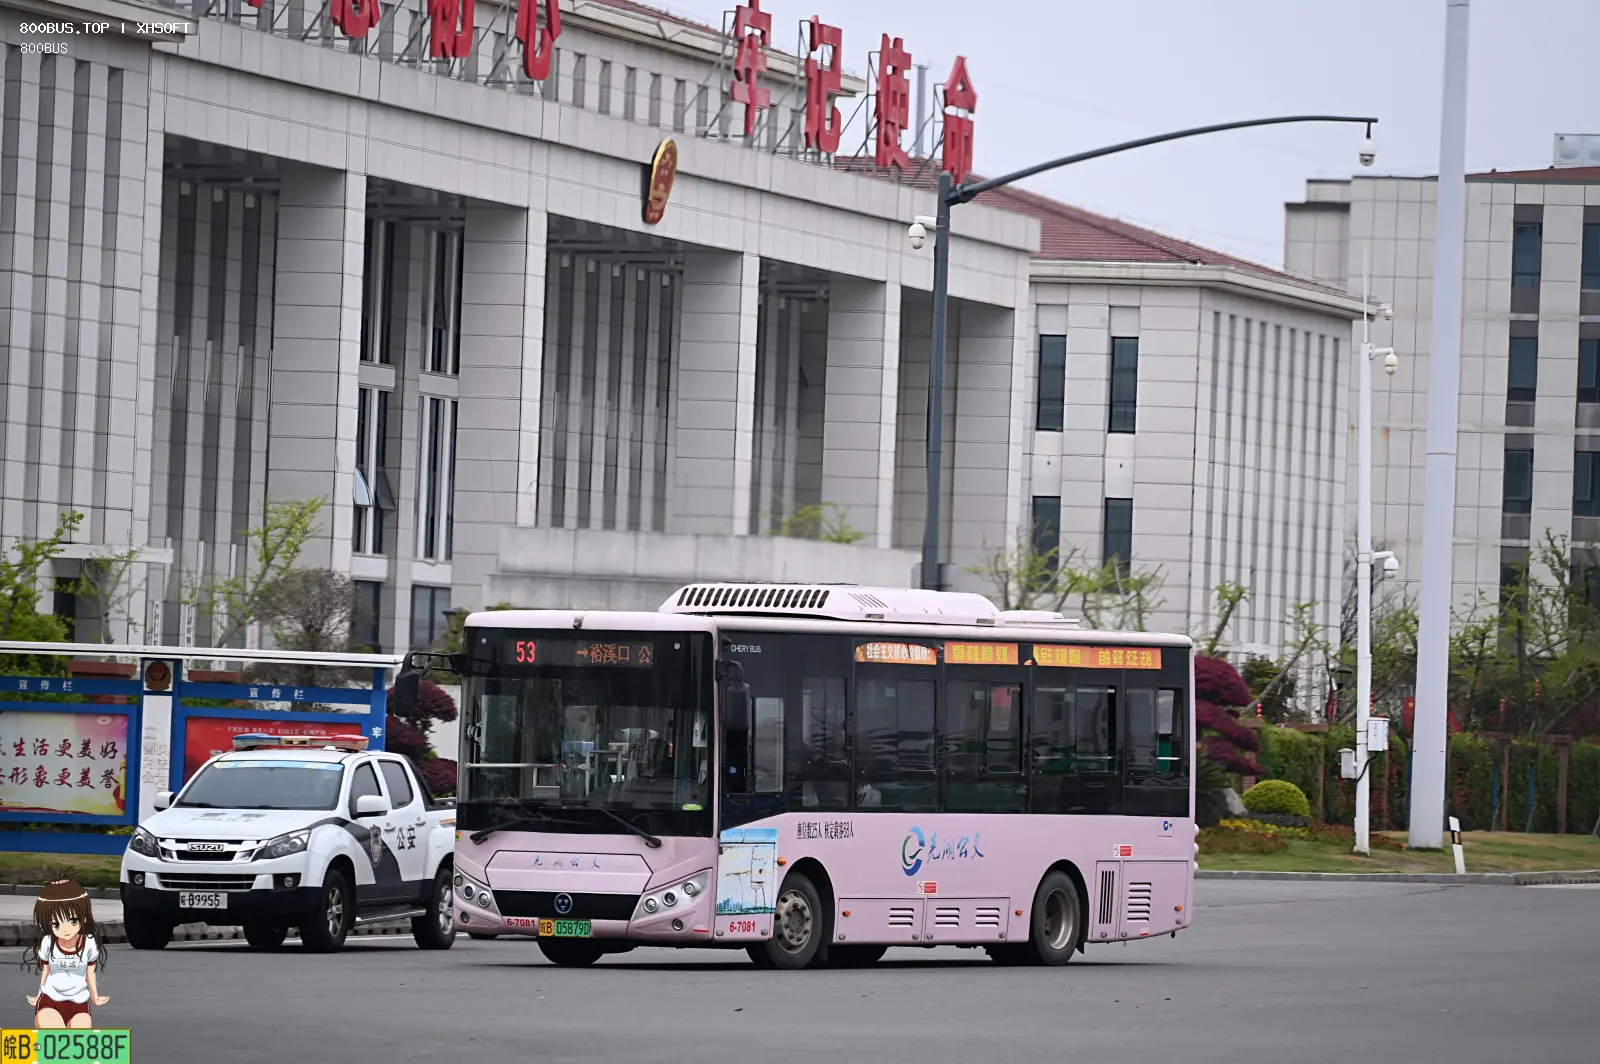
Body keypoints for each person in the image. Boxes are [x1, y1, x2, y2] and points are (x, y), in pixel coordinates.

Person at [22, 879, 109, 1029]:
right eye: (56, 924)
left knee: (78, 1038)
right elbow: (46, 971)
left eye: (73, 921)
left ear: (83, 917)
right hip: (50, 1000)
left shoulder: (88, 943)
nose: (65, 929)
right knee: (56, 1034)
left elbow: (90, 973)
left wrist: (95, 997)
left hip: (79, 1003)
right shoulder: (48, 942)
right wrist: (38, 995)